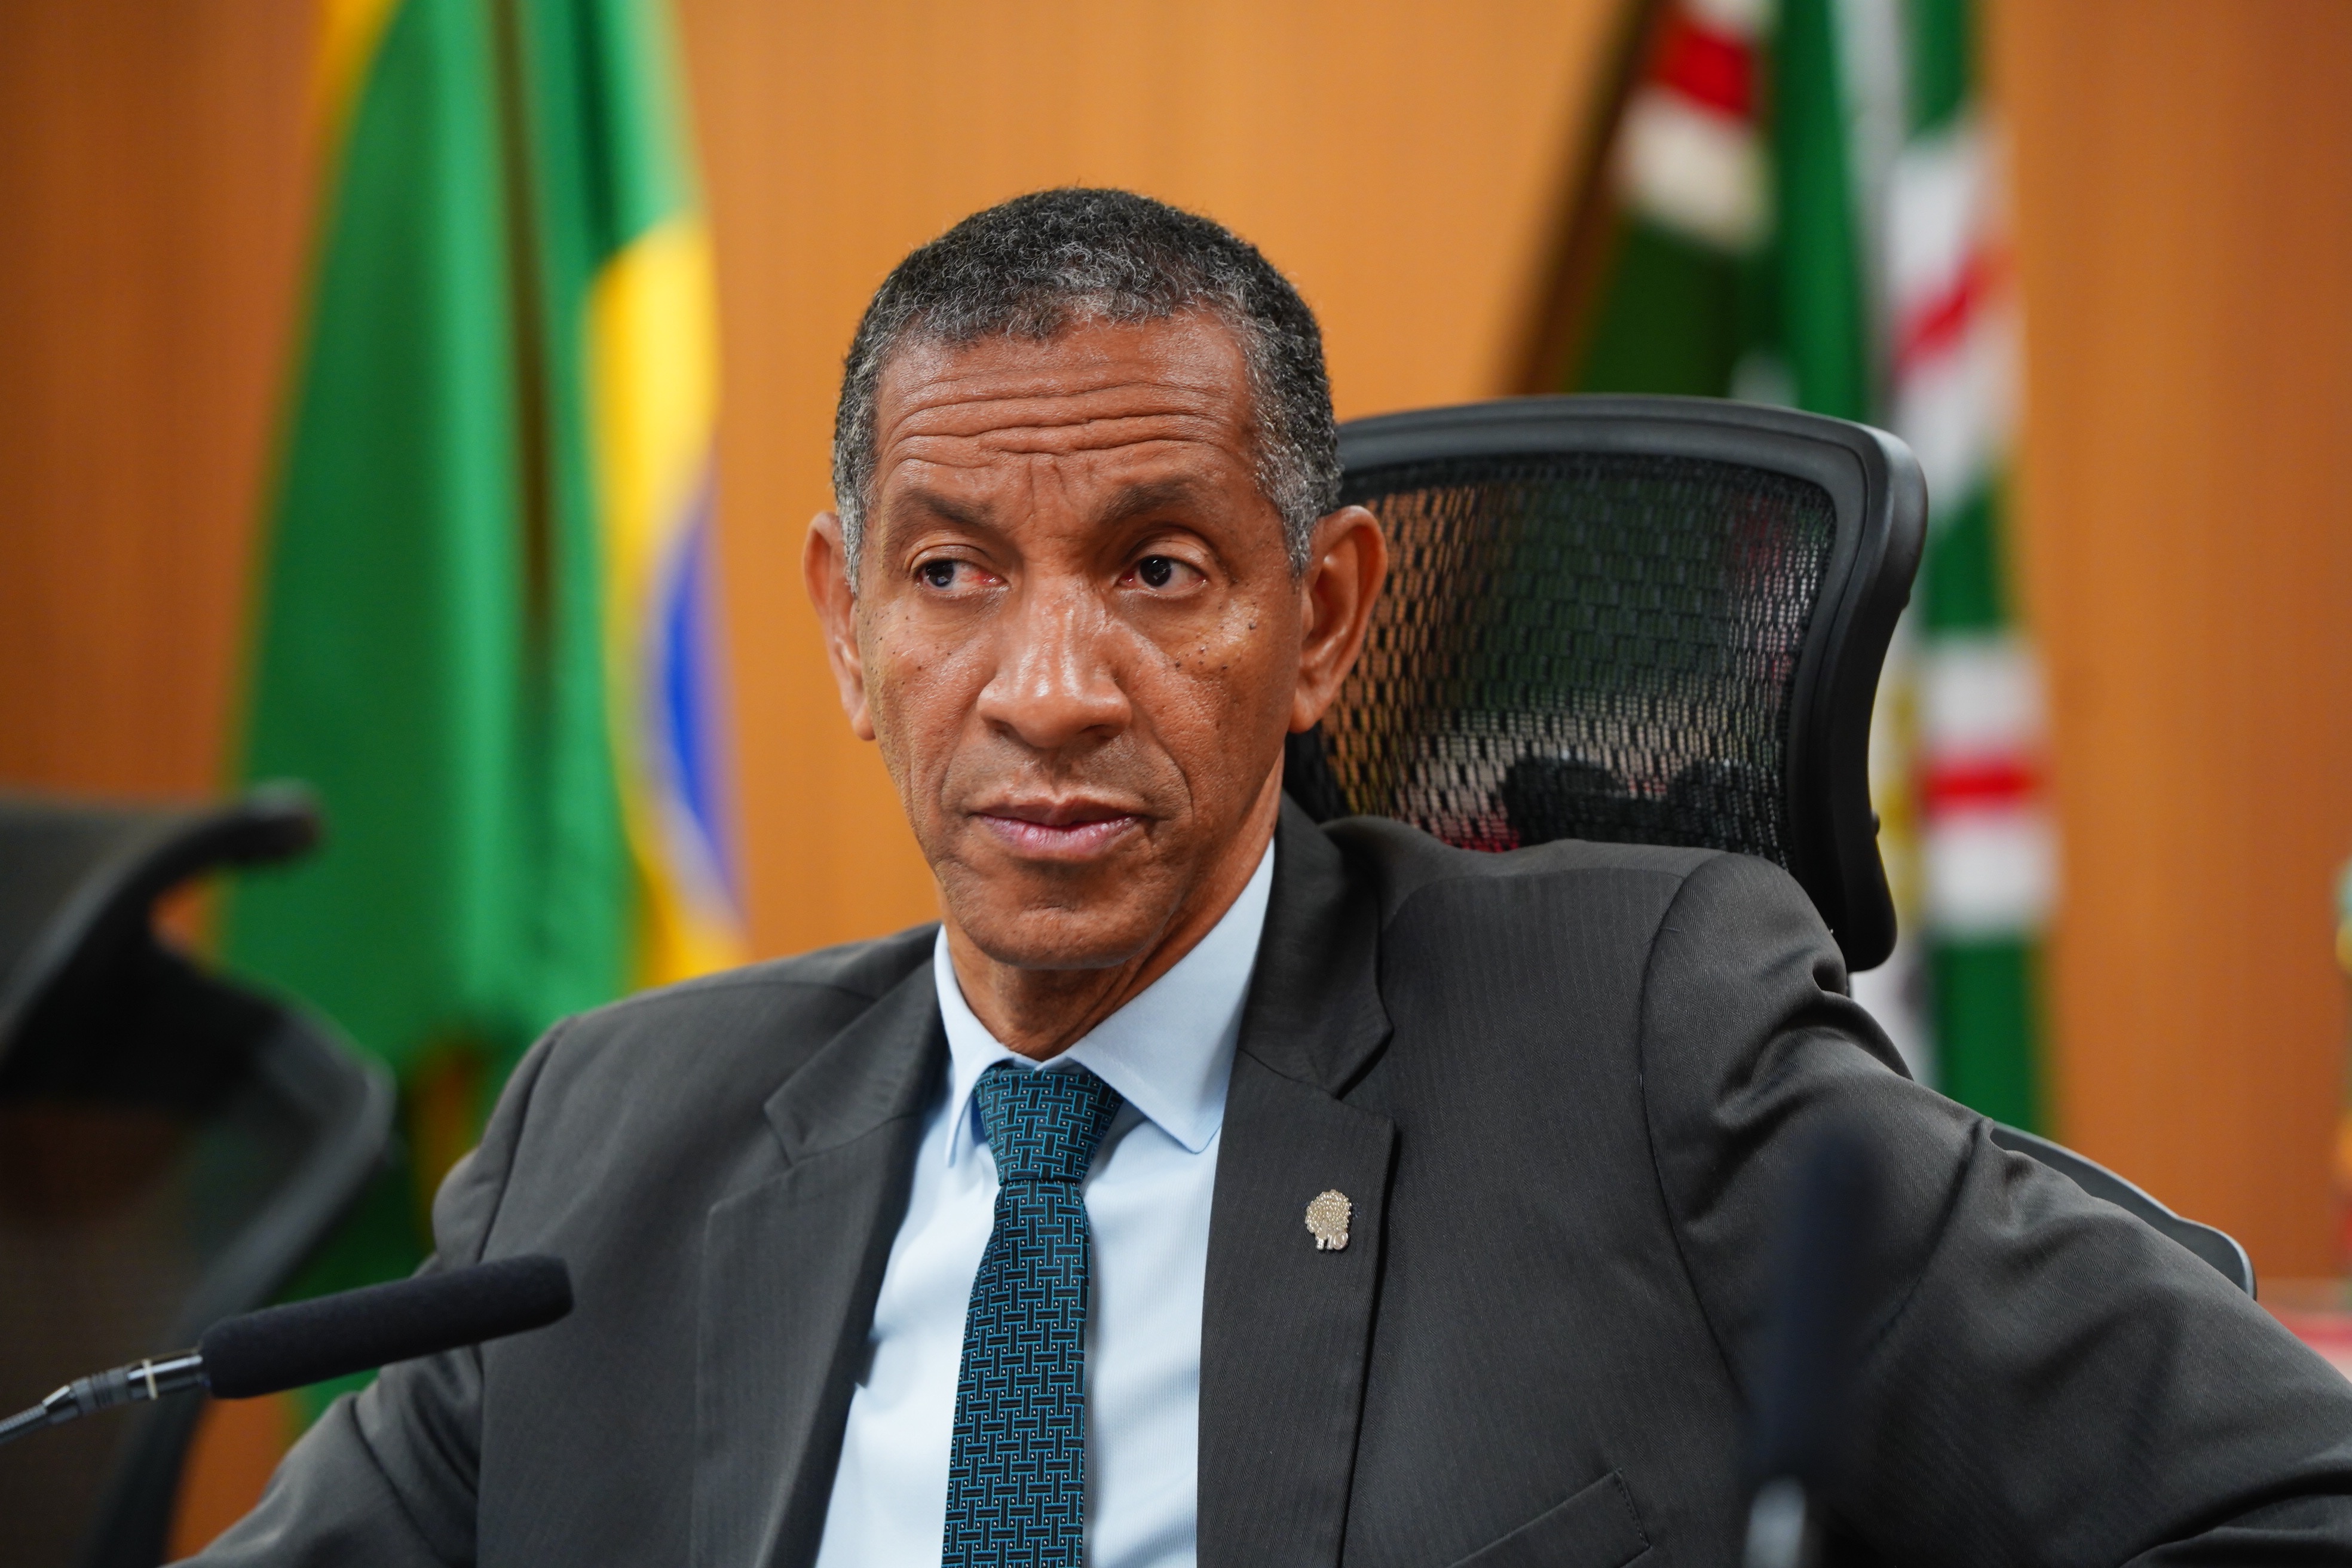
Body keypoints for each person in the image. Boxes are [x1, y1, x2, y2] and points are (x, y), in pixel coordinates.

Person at [187, 189, 2352, 1568]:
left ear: (1322, 617)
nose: (1049, 691)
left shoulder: (1639, 1049)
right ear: (846, 627)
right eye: (953, 574)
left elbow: (2278, 1492)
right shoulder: (608, 1134)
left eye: (1157, 571)